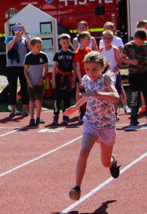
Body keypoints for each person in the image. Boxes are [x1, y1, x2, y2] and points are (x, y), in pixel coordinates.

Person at [64, 51, 121, 200]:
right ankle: (77, 186)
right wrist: (76, 107)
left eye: (94, 69)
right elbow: (86, 95)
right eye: (87, 69)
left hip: (107, 125)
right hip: (91, 122)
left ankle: (112, 162)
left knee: (105, 163)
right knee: (84, 151)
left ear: (102, 67)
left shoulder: (107, 78)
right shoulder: (86, 79)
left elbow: (115, 97)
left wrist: (99, 94)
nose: (91, 73)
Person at [121, 28, 147, 129]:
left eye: (142, 42)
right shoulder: (128, 46)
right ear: (134, 38)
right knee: (135, 96)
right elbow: (122, 58)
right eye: (139, 42)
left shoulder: (146, 44)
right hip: (134, 74)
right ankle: (134, 118)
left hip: (145, 73)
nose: (140, 44)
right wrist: (131, 61)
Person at [100, 30, 129, 113]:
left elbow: (119, 63)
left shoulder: (115, 49)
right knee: (106, 93)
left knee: (116, 93)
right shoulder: (101, 49)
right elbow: (100, 62)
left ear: (112, 39)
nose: (107, 40)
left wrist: (115, 69)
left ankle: (115, 112)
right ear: (102, 39)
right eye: (105, 38)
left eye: (109, 38)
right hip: (105, 75)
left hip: (114, 75)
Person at [4, 23, 29, 117]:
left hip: (22, 66)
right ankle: (13, 109)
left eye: (20, 28)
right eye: (16, 28)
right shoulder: (9, 38)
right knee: (12, 87)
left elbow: (30, 45)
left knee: (24, 87)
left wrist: (26, 32)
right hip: (11, 66)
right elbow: (8, 47)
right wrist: (15, 37)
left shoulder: (25, 39)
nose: (18, 30)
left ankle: (25, 109)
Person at [23, 37, 49, 127]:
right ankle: (31, 118)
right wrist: (29, 81)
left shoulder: (43, 55)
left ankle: (38, 117)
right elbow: (25, 71)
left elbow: (46, 68)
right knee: (31, 100)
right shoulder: (28, 57)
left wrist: (43, 78)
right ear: (32, 46)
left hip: (40, 82)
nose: (39, 48)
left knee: (39, 99)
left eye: (40, 46)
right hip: (31, 81)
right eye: (37, 46)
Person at [52, 33, 76, 126]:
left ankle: (66, 115)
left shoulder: (72, 53)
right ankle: (56, 115)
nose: (66, 44)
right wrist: (53, 80)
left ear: (69, 42)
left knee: (67, 98)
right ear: (60, 43)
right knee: (57, 98)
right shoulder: (57, 54)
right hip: (59, 77)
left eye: (67, 42)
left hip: (68, 77)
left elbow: (74, 67)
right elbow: (54, 67)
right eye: (64, 42)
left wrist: (73, 79)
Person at [73, 31, 93, 122]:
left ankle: (91, 113)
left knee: (91, 95)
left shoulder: (89, 51)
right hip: (82, 77)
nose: (89, 41)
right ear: (81, 40)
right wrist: (80, 80)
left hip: (91, 77)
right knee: (83, 96)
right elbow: (77, 67)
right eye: (87, 39)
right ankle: (82, 113)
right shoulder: (77, 52)